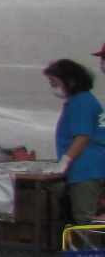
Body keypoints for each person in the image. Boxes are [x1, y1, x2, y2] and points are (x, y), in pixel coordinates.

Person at [46, 59, 105, 225]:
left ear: (70, 80)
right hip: (89, 166)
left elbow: (83, 136)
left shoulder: (81, 102)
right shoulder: (81, 101)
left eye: (54, 82)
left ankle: (89, 251)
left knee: (85, 219)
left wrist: (64, 162)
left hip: (86, 168)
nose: (52, 87)